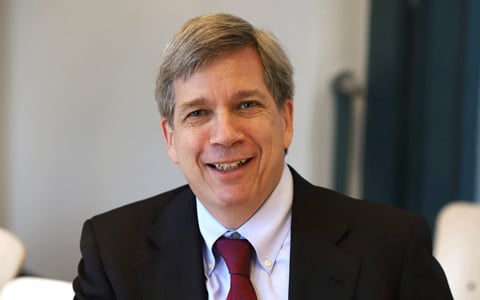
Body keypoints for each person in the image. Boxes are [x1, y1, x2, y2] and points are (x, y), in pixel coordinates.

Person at [73, 13, 453, 300]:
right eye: (198, 113)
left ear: (285, 119)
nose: (224, 135)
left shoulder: (391, 252)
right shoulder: (112, 253)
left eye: (247, 104)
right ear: (170, 138)